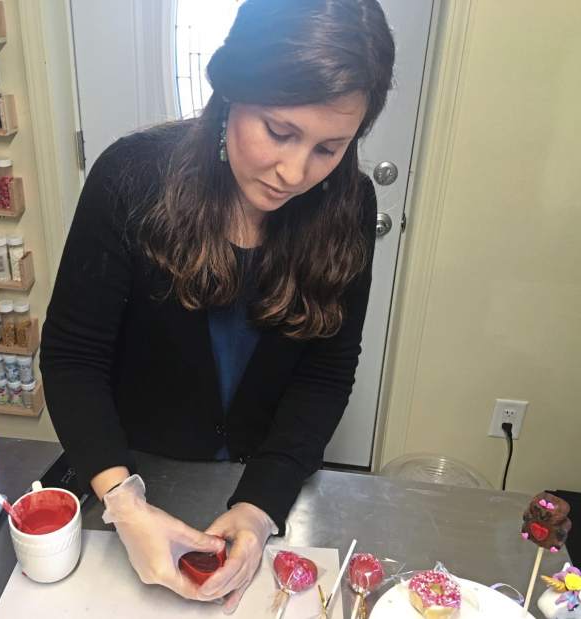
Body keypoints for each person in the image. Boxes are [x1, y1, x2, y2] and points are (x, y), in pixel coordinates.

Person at [40, 0, 395, 612]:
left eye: (329, 147)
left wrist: (260, 509)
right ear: (230, 90)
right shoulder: (131, 179)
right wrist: (123, 502)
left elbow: (326, 374)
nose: (294, 172)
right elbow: (73, 359)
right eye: (279, 132)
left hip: (265, 479)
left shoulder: (348, 201)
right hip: (128, 469)